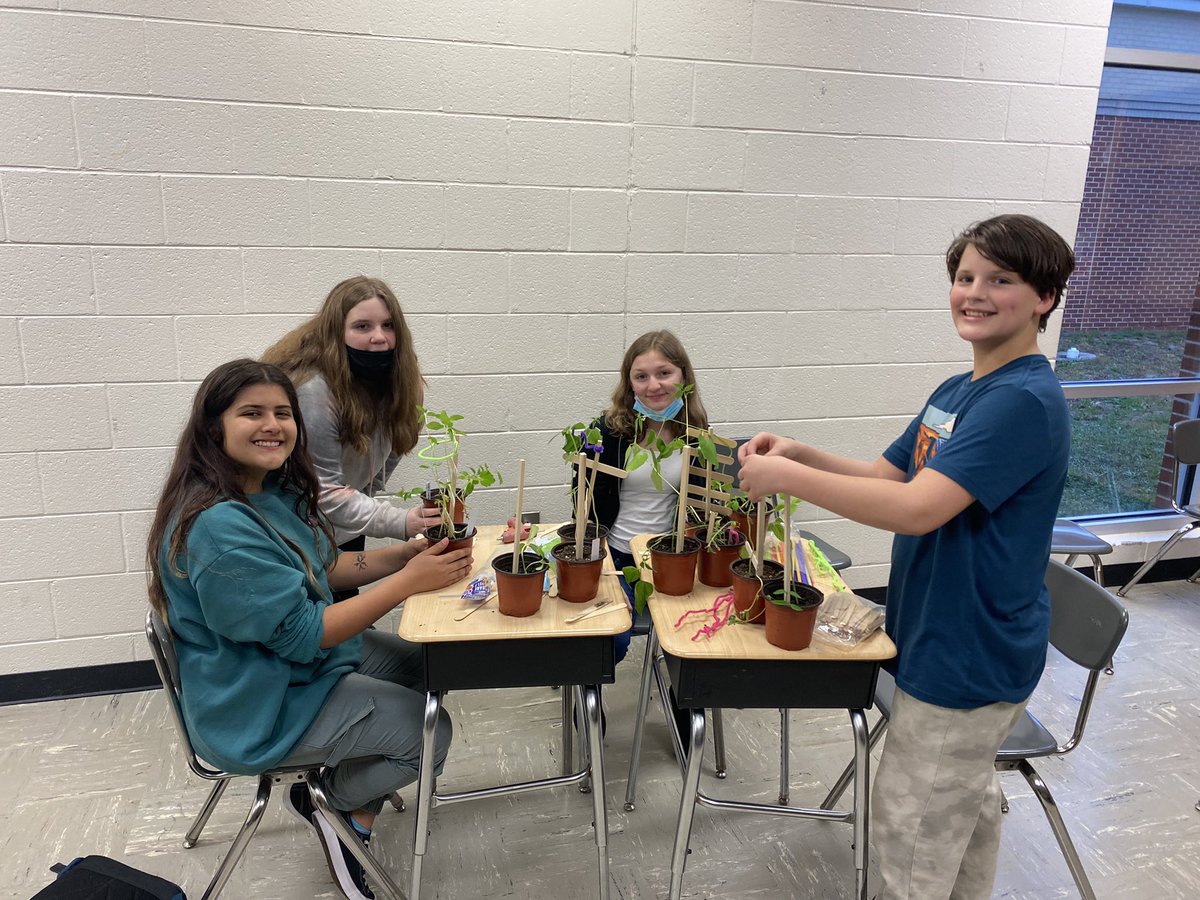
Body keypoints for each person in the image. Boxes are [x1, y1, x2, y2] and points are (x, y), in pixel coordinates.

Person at [737, 214, 1074, 900]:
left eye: (1000, 280)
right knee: (959, 813)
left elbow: (919, 511)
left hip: (968, 651)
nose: (974, 293)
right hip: (939, 634)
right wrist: (803, 454)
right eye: (964, 277)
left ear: (1045, 297)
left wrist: (789, 481)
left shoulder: (1021, 401)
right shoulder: (958, 393)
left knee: (910, 836)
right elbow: (893, 478)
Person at [146, 359, 473, 900]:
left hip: (289, 666)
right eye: (251, 413)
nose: (272, 424)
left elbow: (323, 568)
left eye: (282, 412)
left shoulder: (264, 491)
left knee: (425, 667)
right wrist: (408, 582)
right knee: (431, 734)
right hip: (257, 704)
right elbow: (305, 633)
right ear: (213, 427)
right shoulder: (219, 528)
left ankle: (342, 773)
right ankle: (338, 806)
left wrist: (402, 557)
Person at [263, 276, 440, 597]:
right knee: (326, 627)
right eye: (362, 326)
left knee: (348, 620)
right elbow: (325, 492)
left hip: (345, 528)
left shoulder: (404, 385)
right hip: (296, 534)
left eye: (388, 325)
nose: (379, 338)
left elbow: (388, 457)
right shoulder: (314, 390)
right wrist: (401, 522)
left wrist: (362, 506)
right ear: (336, 332)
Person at [582, 330, 710, 665]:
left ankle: (683, 703)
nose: (653, 386)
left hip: (672, 561)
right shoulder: (607, 433)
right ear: (629, 384)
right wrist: (603, 571)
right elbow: (585, 508)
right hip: (617, 560)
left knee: (701, 637)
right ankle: (587, 702)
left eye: (664, 373)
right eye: (641, 377)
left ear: (683, 377)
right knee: (614, 640)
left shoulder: (696, 435)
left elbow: (704, 508)